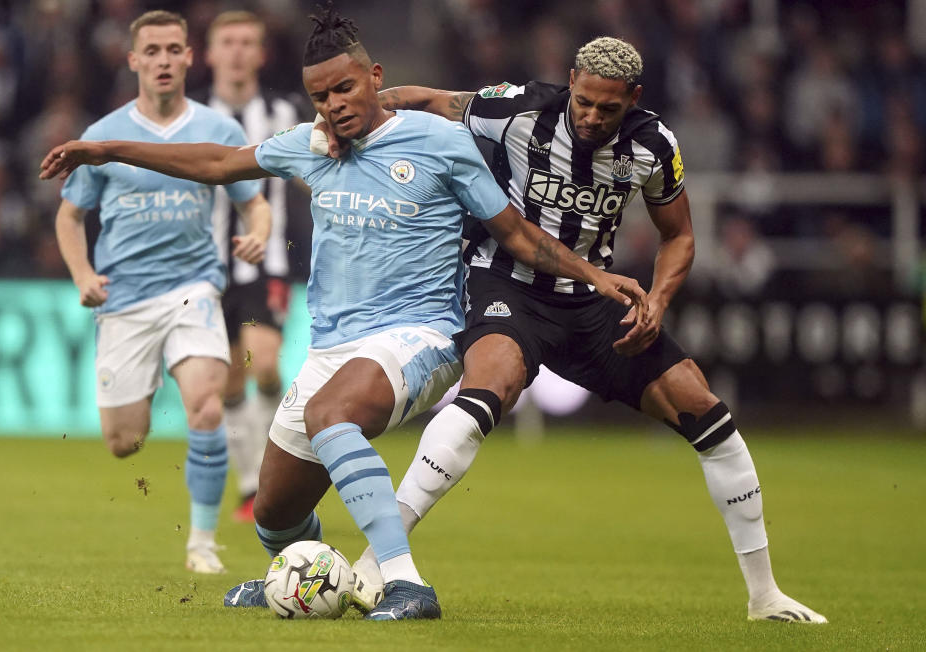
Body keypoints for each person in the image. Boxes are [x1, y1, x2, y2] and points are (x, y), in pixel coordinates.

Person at [40, 6, 649, 621]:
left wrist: (596, 276)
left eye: (344, 88)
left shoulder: (441, 142)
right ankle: (306, 571)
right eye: (320, 95)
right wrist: (107, 150)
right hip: (333, 346)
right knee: (274, 516)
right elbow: (218, 164)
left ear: (374, 76)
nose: (332, 104)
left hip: (421, 334)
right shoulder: (311, 145)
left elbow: (516, 233)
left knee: (333, 416)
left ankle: (406, 583)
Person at [343, 36, 828, 624]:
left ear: (635, 99)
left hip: (592, 297)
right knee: (488, 387)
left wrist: (659, 301)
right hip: (506, 284)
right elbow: (431, 99)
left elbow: (679, 236)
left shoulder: (654, 146)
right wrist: (356, 110)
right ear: (571, 81)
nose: (594, 117)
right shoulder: (517, 108)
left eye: (610, 108)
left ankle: (764, 595)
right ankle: (374, 562)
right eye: (585, 103)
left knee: (706, 412)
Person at [50, 10, 271, 574]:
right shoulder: (101, 137)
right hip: (123, 300)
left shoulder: (219, 130)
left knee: (205, 404)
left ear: (190, 57)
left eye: (174, 49)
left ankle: (202, 543)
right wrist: (81, 275)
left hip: (194, 289)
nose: (165, 60)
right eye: (153, 51)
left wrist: (261, 233)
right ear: (134, 61)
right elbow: (70, 217)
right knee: (124, 441)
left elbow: (255, 199)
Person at [194, 10, 305, 523]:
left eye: (247, 43)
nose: (237, 51)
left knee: (262, 363)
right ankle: (248, 487)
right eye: (228, 42)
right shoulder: (192, 118)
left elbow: (315, 172)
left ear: (261, 54)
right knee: (229, 381)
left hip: (268, 264)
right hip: (207, 270)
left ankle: (272, 475)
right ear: (211, 53)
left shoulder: (283, 113)